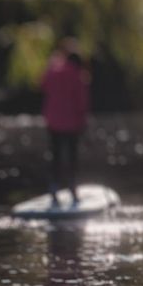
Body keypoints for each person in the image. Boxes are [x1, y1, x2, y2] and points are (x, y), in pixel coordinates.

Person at [40, 39, 90, 207]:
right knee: (72, 157)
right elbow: (82, 102)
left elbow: (43, 85)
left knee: (55, 156)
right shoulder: (78, 74)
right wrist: (84, 121)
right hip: (72, 123)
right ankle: (72, 189)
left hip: (53, 121)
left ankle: (54, 188)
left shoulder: (53, 70)